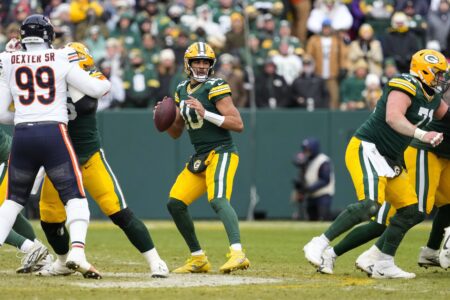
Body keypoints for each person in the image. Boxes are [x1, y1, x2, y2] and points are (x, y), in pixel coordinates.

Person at [304, 48, 450, 279]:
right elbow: (394, 118)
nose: (442, 78)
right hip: (368, 147)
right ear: (423, 70)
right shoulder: (406, 83)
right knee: (369, 205)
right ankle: (319, 243)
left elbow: (447, 115)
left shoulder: (433, 98)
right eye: (438, 73)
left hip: (391, 159)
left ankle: (384, 263)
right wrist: (423, 135)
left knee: (412, 211)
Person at [33, 42, 168, 278]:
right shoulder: (50, 80)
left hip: (89, 158)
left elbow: (89, 99)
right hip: (60, 160)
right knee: (49, 218)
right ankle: (64, 262)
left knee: (119, 212)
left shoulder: (90, 79)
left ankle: (156, 260)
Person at [0, 15, 110, 279]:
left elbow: (1, 113)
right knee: (75, 197)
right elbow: (96, 89)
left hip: (24, 134)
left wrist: (27, 116)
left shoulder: (8, 60)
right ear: (48, 34)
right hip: (53, 133)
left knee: (12, 202)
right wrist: (103, 79)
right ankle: (77, 252)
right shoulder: (61, 57)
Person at [156, 42, 250, 274]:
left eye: (205, 62)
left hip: (222, 151)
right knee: (175, 203)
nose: (201, 65)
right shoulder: (180, 89)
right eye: (197, 61)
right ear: (188, 64)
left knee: (218, 199)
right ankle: (198, 258)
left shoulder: (216, 85)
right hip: (200, 155)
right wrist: (162, 118)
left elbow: (238, 124)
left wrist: (205, 112)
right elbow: (176, 132)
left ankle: (238, 253)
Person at [292, 138, 334, 221]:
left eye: (308, 149)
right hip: (310, 196)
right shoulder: (307, 160)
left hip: (323, 195)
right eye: (304, 149)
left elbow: (325, 180)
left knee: (323, 218)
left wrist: (308, 189)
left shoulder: (323, 160)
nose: (306, 151)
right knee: (311, 220)